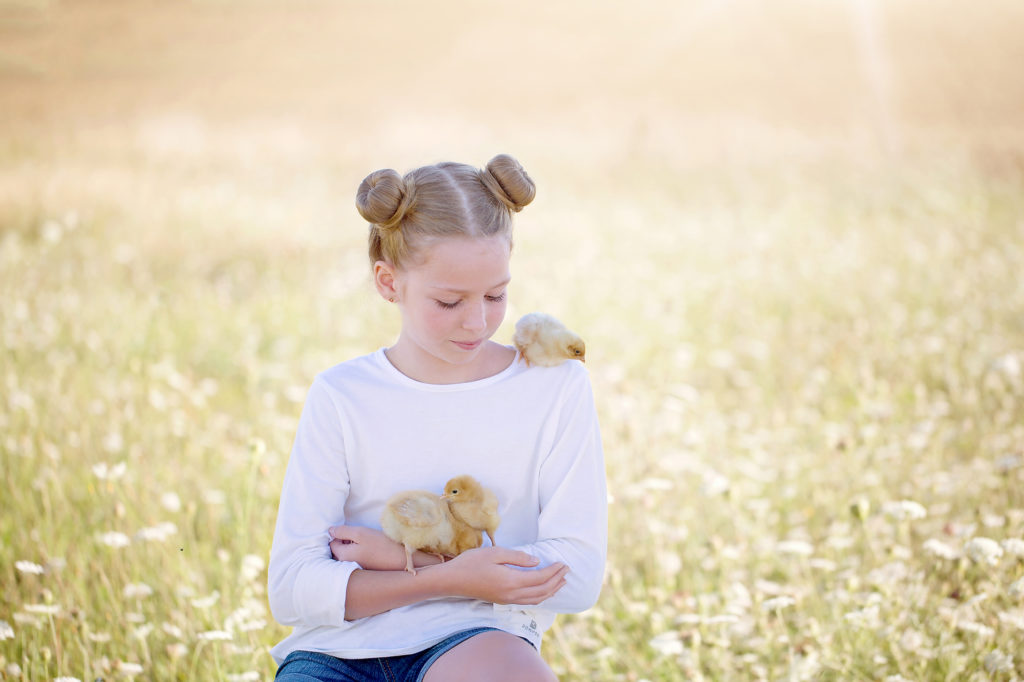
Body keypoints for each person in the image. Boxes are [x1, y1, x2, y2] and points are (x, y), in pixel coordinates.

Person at [267, 154, 607, 681]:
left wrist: (394, 558)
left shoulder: (553, 387)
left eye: (496, 295)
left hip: (478, 641)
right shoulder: (341, 395)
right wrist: (448, 575)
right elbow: (291, 588)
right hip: (338, 653)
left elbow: (578, 576)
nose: (477, 321)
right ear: (387, 282)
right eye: (449, 301)